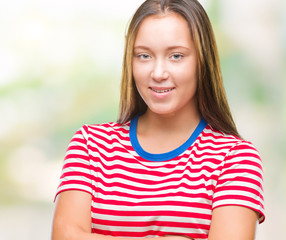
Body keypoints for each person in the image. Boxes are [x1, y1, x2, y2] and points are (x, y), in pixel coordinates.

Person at [51, 0, 265, 239]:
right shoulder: (91, 144)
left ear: (202, 61)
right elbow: (64, 235)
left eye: (176, 56)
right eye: (144, 56)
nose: (158, 73)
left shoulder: (234, 157)